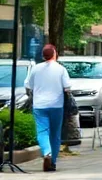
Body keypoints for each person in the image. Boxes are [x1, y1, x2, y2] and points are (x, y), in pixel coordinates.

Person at [24, 44, 70, 172]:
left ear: (43, 56)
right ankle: (53, 162)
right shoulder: (61, 69)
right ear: (54, 54)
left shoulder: (35, 69)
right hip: (57, 105)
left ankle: (47, 152)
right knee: (55, 134)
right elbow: (67, 87)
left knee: (42, 132)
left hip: (39, 105)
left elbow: (28, 86)